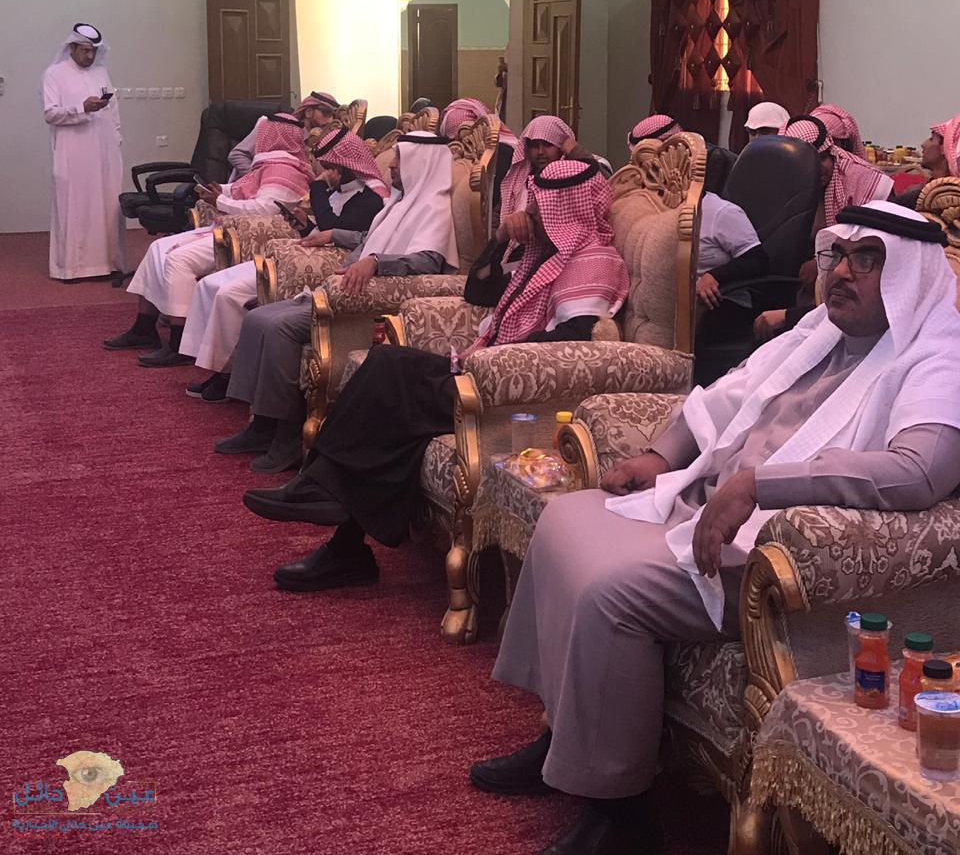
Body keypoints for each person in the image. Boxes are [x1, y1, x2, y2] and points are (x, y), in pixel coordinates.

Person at [470, 201, 960, 855]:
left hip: (765, 548)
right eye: (839, 254)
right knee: (564, 518)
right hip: (704, 504)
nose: (842, 272)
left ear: (907, 276)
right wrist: (660, 456)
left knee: (612, 593)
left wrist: (761, 485)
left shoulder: (937, 357)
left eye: (867, 260)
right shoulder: (822, 329)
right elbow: (732, 393)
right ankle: (564, 733)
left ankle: (621, 813)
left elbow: (919, 472)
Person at [242, 158, 630, 590]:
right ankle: (330, 510)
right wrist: (500, 238)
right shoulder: (544, 256)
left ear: (567, 207)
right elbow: (478, 291)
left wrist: (497, 361)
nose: (530, 214)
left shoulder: (593, 261)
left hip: (517, 394)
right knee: (385, 364)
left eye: (540, 206)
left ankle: (337, 526)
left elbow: (575, 339)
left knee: (392, 395)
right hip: (486, 368)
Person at [219, 130, 461, 471]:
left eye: (399, 159)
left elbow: (428, 261)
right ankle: (261, 424)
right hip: (342, 289)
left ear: (419, 163)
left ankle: (287, 436)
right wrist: (335, 236)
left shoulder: (434, 208)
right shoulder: (399, 204)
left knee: (279, 327)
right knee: (258, 316)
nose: (392, 165)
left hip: (369, 307)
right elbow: (368, 237)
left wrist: (376, 262)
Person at [179, 125, 391, 403]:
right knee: (212, 283)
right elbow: (322, 230)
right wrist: (304, 226)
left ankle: (225, 375)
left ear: (346, 167)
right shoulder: (335, 192)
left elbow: (334, 229)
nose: (327, 172)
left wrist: (317, 187)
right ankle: (212, 366)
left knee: (229, 295)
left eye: (331, 167)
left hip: (324, 266)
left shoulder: (369, 199)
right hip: (298, 255)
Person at [103, 114, 311, 365]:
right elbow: (245, 190)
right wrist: (221, 190)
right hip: (229, 227)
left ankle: (179, 343)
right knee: (158, 247)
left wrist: (220, 201)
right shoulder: (269, 164)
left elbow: (265, 209)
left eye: (264, 133)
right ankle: (144, 328)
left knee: (178, 260)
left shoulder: (284, 169)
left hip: (246, 236)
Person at [754, 116, 894, 342]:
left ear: (832, 155)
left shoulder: (862, 182)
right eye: (808, 162)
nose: (816, 169)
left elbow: (870, 259)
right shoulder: (783, 177)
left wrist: (823, 262)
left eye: (822, 159)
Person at [41, 23, 125, 283]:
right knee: (76, 206)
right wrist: (81, 108)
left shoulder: (101, 72)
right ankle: (73, 268)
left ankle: (108, 263)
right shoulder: (54, 74)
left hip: (105, 151)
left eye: (93, 51)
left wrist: (117, 140)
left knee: (106, 204)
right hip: (73, 152)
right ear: (72, 48)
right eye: (85, 51)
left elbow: (113, 110)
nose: (90, 56)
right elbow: (50, 114)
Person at [227, 91, 339, 180]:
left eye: (333, 116)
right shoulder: (277, 126)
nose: (330, 120)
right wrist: (259, 179)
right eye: (326, 113)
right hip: (255, 191)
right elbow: (237, 155)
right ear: (308, 112)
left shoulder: (322, 142)